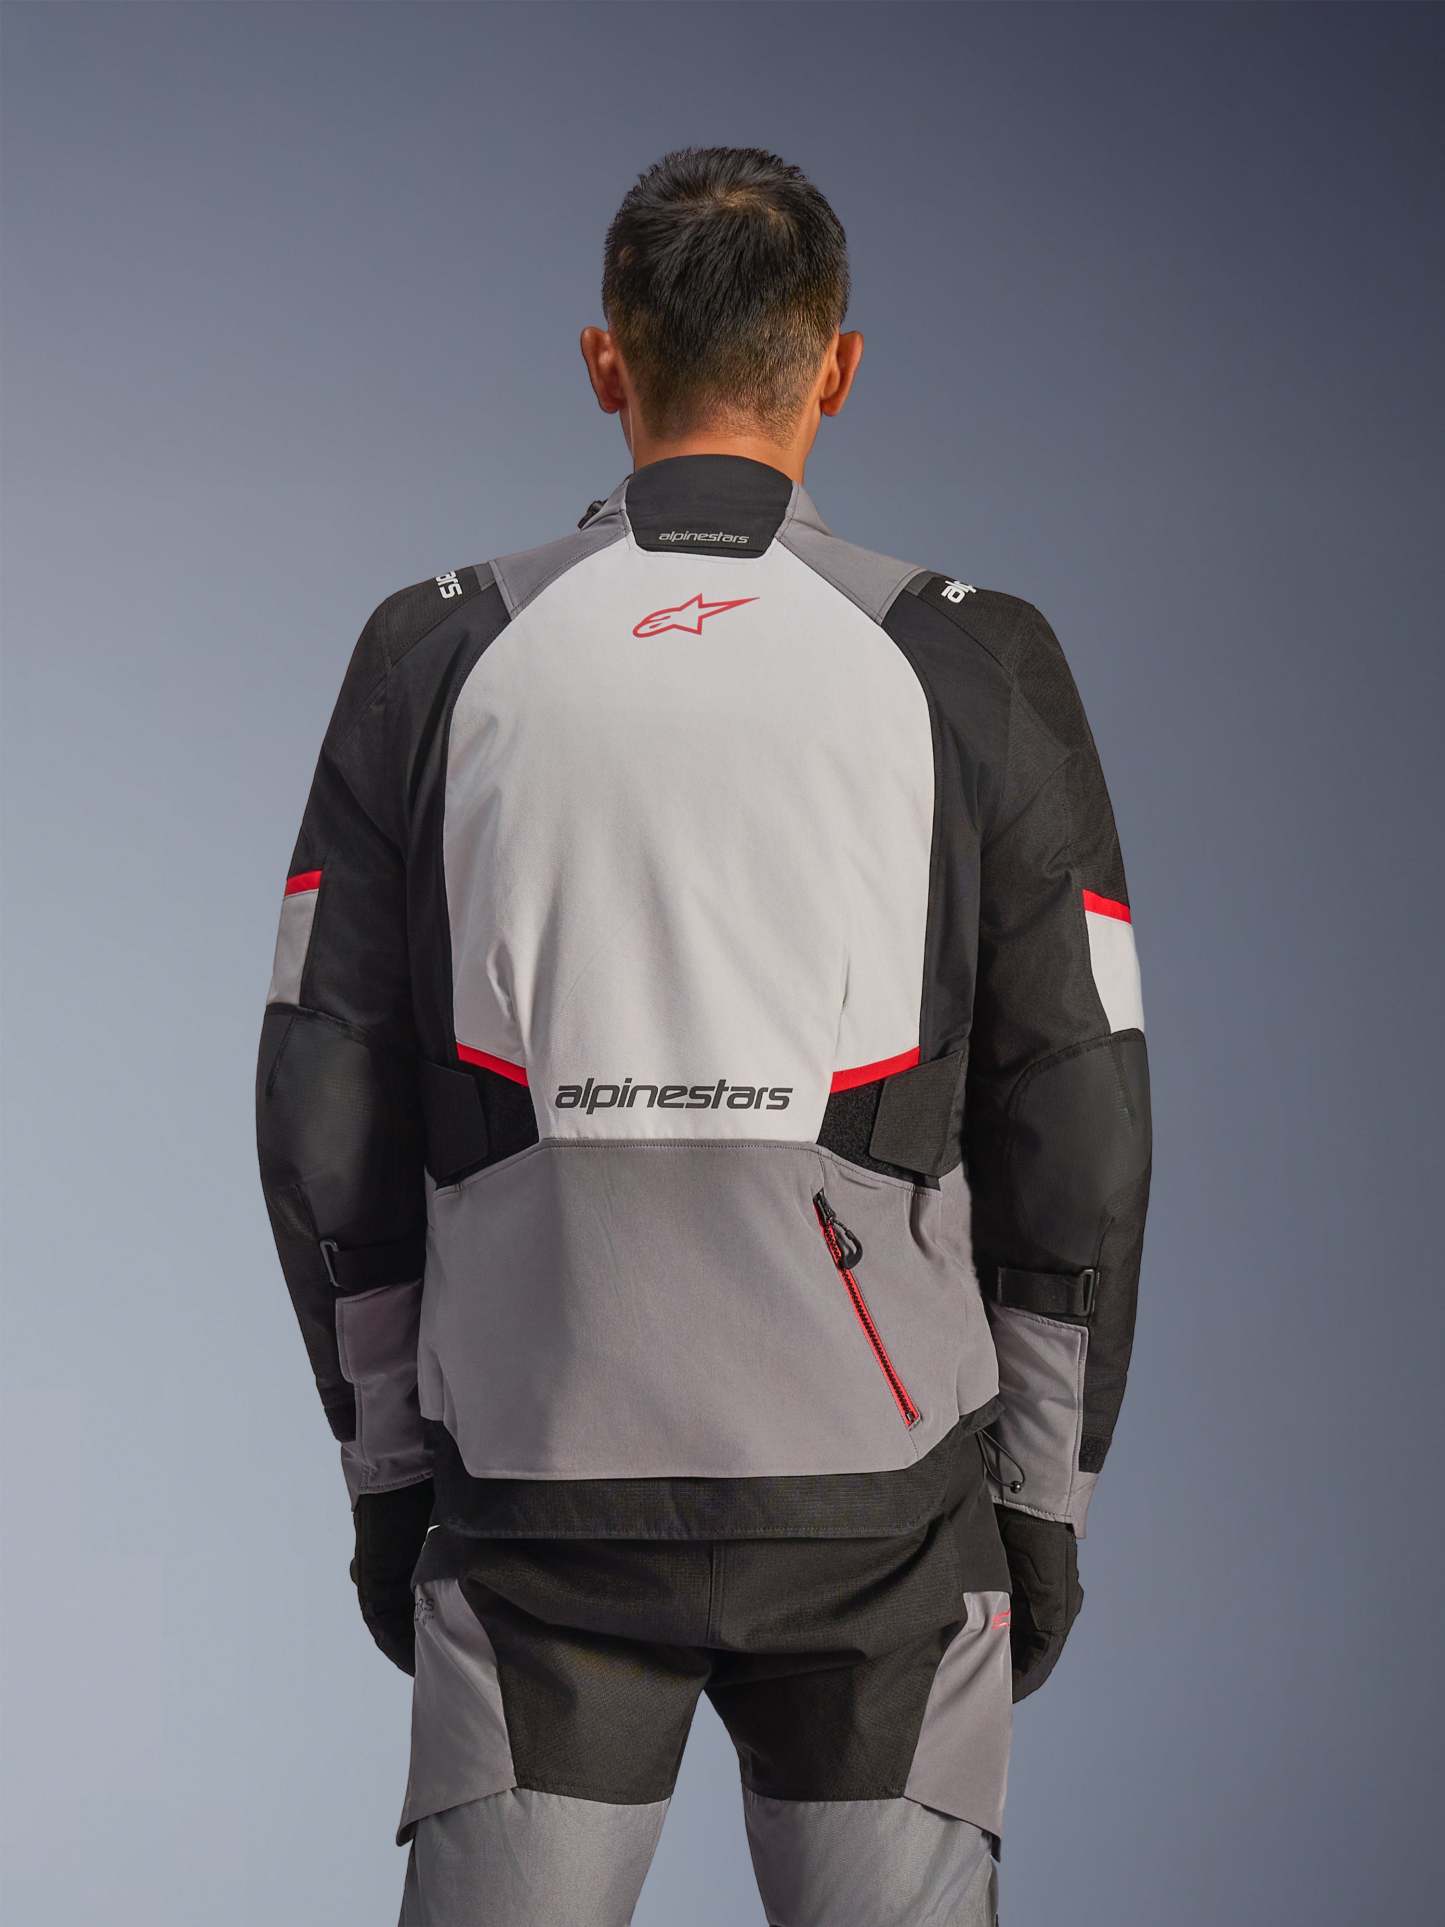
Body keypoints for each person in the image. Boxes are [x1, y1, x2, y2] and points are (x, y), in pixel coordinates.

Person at [256, 145, 1152, 1927]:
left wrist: (387, 1476)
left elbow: (323, 1106)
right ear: (838, 367)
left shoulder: (434, 650)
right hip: (884, 1526)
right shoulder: (973, 660)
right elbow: (1082, 1119)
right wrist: (1042, 1503)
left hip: (534, 1506)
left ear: (606, 362)